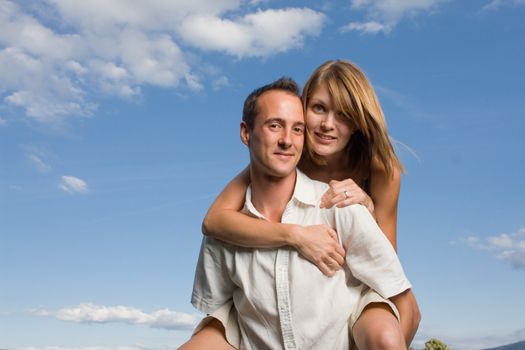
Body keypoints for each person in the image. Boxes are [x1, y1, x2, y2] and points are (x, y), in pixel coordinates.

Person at [197, 59, 421, 347]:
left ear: (358, 122)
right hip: (282, 281)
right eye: (319, 108)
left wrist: (369, 210)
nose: (328, 124)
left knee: (391, 319)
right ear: (303, 107)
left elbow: (387, 265)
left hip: (344, 279)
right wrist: (296, 236)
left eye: (344, 114)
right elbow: (214, 221)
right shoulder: (289, 154)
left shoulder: (379, 168)